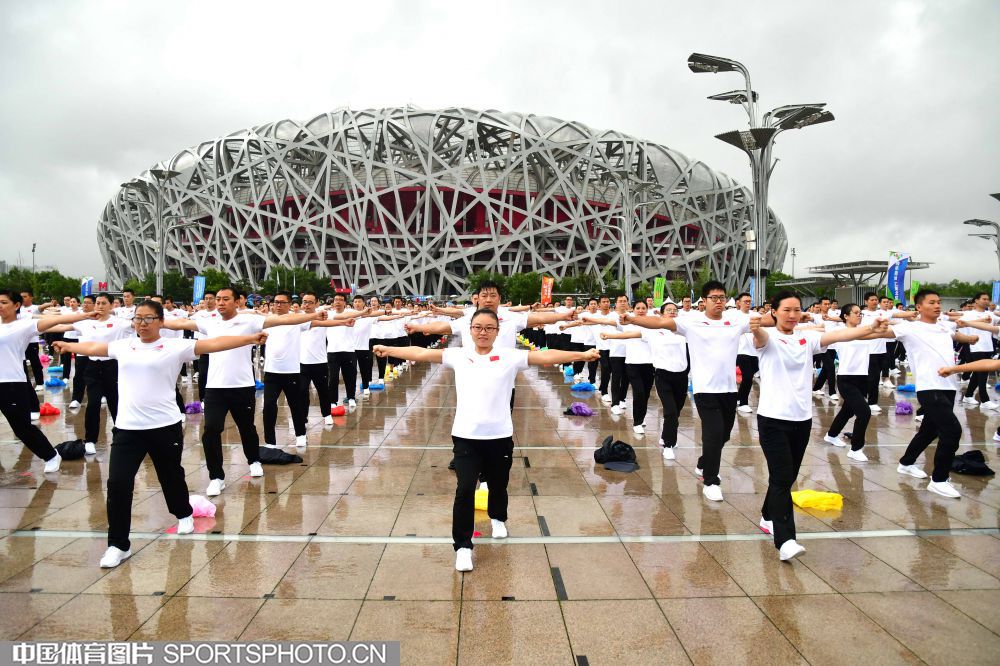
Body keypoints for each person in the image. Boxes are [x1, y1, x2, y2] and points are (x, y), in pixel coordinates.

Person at [374, 309, 599, 572]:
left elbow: (546, 356)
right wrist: (389, 350)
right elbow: (422, 354)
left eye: (489, 328)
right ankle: (463, 547)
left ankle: (498, 518)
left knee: (498, 484)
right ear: (470, 330)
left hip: (499, 435)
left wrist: (582, 355)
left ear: (497, 331)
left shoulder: (510, 356)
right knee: (465, 488)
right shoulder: (458, 355)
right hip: (466, 436)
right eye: (478, 327)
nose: (483, 332)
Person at [53, 300, 266, 568]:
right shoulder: (124, 346)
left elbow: (214, 344)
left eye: (148, 319)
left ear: (161, 321)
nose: (142, 324)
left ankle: (183, 513)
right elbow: (94, 348)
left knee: (170, 475)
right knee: (118, 484)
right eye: (137, 319)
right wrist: (69, 346)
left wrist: (250, 339)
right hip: (128, 428)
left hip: (164, 425)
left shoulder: (175, 346)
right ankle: (118, 544)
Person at [749, 291, 886, 561]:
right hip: (773, 419)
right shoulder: (767, 338)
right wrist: (757, 329)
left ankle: (767, 516)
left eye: (796, 310)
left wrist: (869, 328)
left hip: (801, 420)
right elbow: (761, 338)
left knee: (787, 477)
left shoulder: (807, 337)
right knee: (780, 476)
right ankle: (785, 539)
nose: (792, 315)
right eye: (786, 310)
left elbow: (838, 336)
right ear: (774, 311)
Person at [164, 286, 325, 496]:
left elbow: (284, 320)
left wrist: (314, 315)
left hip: (242, 386)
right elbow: (181, 323)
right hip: (215, 388)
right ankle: (216, 476)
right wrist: (152, 319)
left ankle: (254, 460)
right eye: (218, 299)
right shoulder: (209, 322)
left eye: (225, 299)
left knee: (246, 428)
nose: (220, 303)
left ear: (237, 301)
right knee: (211, 430)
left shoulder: (249, 321)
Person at [625, 281, 748, 502]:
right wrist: (633, 319)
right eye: (714, 298)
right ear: (704, 301)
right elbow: (658, 322)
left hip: (729, 389)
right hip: (704, 389)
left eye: (722, 297)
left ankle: (703, 463)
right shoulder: (692, 323)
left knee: (725, 434)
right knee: (712, 432)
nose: (719, 301)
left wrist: (797, 319)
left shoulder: (735, 321)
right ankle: (711, 480)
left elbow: (767, 321)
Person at [869, 290, 978, 498]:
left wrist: (971, 338)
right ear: (919, 307)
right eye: (932, 302)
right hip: (929, 387)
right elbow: (882, 333)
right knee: (952, 430)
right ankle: (939, 479)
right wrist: (875, 327)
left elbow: (956, 334)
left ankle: (906, 462)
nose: (937, 305)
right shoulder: (909, 328)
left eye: (939, 302)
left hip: (949, 386)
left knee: (929, 430)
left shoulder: (944, 326)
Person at [1, 290, 95, 471]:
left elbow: (58, 321)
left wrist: (86, 315)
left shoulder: (24, 325)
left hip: (12, 383)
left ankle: (51, 455)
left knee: (21, 428)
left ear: (16, 305)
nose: (0, 305)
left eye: (4, 302)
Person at [261, 291, 355, 448]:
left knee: (298, 403)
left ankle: (301, 433)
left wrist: (343, 323)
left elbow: (321, 323)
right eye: (275, 302)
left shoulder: (297, 320)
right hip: (272, 372)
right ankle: (270, 442)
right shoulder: (266, 321)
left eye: (282, 302)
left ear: (289, 305)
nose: (278, 305)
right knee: (269, 406)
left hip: (293, 370)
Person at [822, 304, 875, 462]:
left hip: (862, 378)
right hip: (846, 379)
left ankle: (831, 435)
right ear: (846, 316)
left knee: (848, 411)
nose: (859, 316)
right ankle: (856, 448)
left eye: (860, 313)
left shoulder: (865, 330)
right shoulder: (839, 333)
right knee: (864, 412)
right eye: (856, 313)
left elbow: (881, 331)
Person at [601, 301, 654, 435]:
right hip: (632, 364)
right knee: (639, 393)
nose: (641, 310)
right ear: (633, 309)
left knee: (646, 394)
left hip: (649, 365)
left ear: (647, 310)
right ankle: (637, 422)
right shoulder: (626, 323)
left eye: (643, 308)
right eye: (638, 308)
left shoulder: (653, 325)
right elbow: (612, 325)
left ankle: (641, 418)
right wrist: (589, 320)